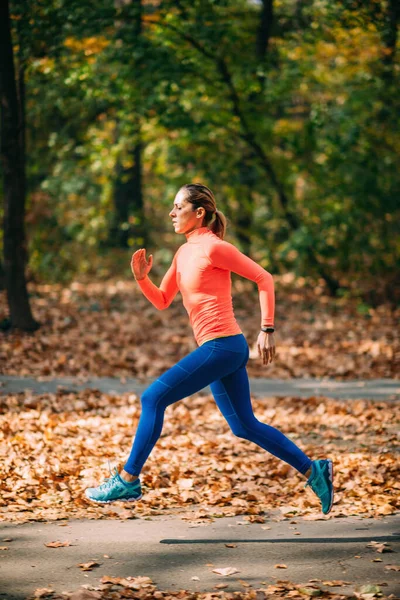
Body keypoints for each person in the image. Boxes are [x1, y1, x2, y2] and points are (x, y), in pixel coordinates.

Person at [85, 183, 334, 514]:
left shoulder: (215, 248)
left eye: (178, 207)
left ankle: (128, 479)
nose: (172, 213)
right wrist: (142, 279)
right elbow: (162, 300)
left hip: (223, 346)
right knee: (244, 426)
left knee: (152, 398)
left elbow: (265, 279)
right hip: (222, 349)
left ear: (198, 213)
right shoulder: (183, 252)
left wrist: (267, 328)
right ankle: (314, 470)